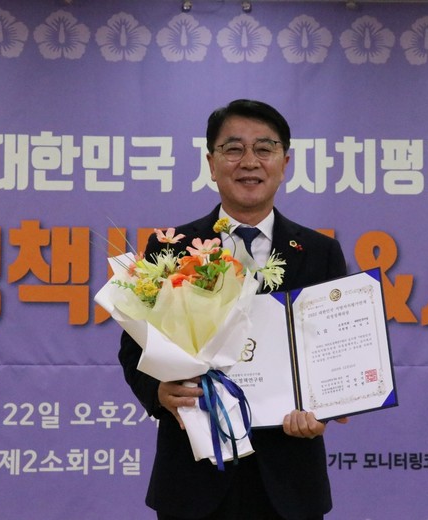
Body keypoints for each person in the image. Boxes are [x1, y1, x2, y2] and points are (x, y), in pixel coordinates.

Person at [118, 99, 348, 520]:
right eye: (234, 149)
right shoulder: (170, 248)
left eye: (264, 148)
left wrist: (327, 410)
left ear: (284, 162)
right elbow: (134, 349)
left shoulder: (320, 252)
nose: (249, 162)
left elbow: (336, 349)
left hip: (290, 476)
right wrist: (159, 393)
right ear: (211, 162)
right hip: (193, 477)